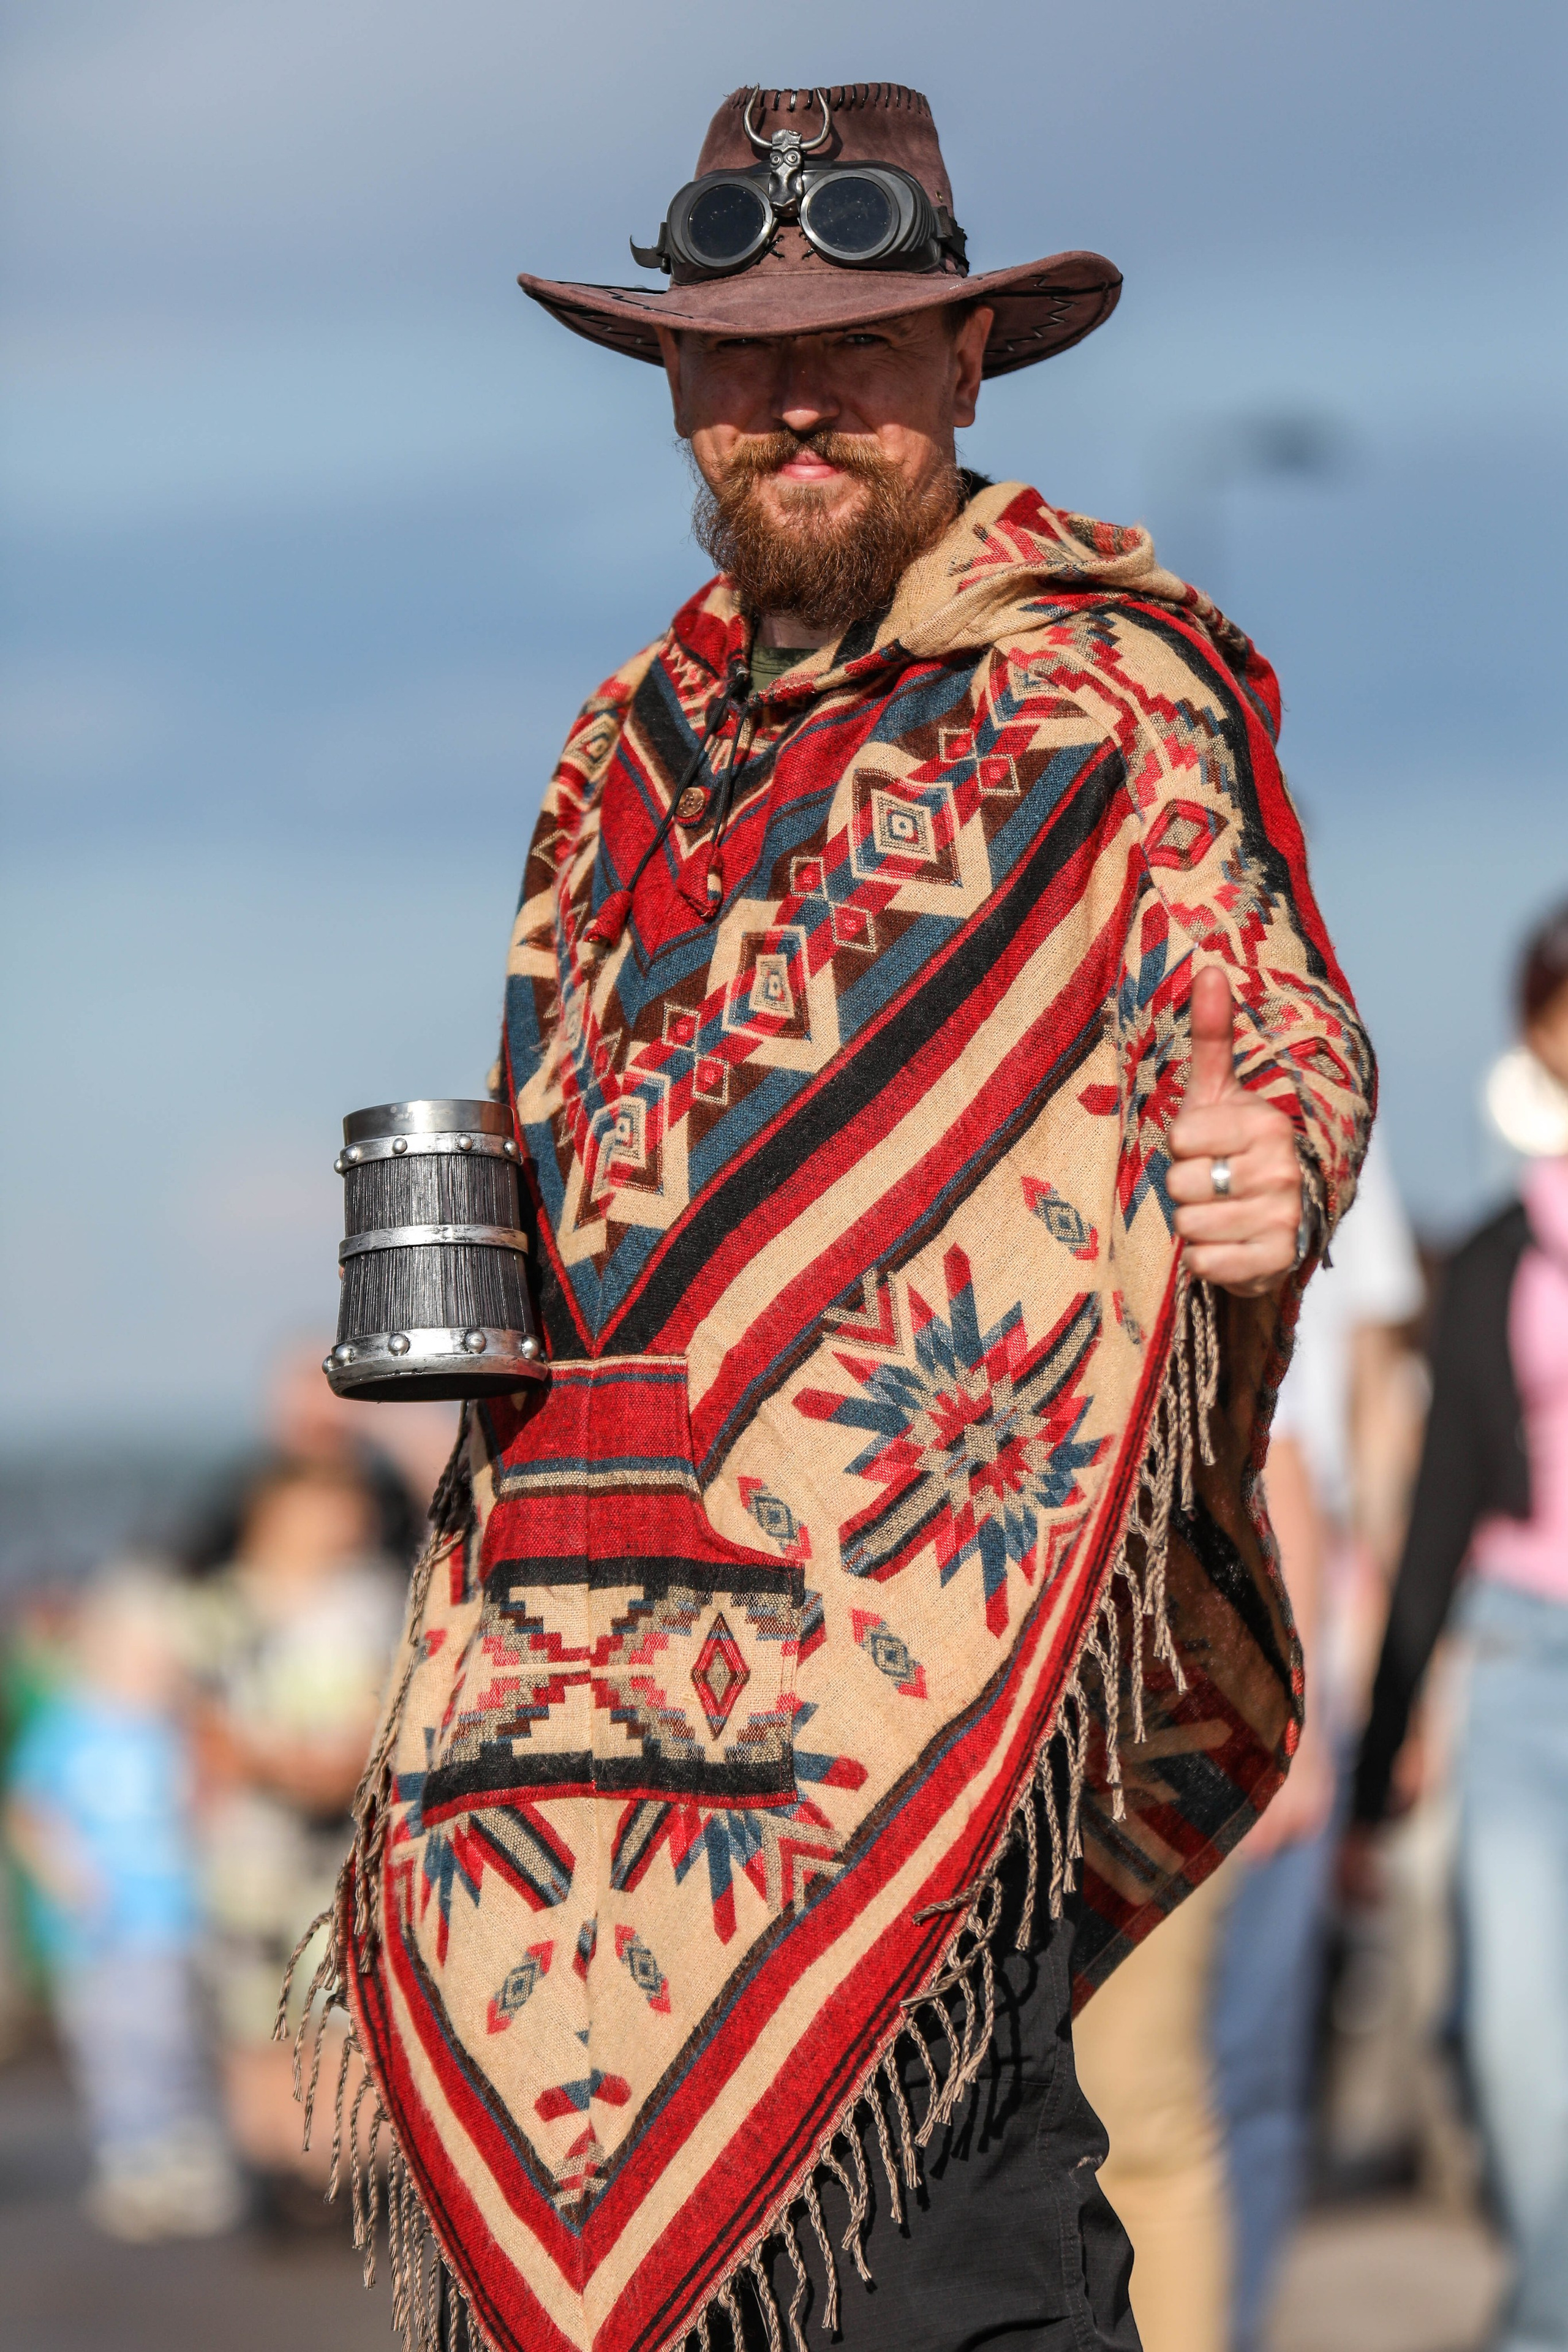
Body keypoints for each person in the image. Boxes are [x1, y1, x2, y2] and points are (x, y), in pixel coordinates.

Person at [309, 82, 1372, 2352]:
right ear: (678, 383)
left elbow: (1260, 1005)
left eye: (863, 350)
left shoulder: (1101, 685)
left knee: (946, 2266)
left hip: (923, 1677)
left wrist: (1271, 1157)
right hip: (570, 1692)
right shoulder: (617, 746)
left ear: (966, 366)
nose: (800, 402)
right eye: (743, 353)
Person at [1351, 899, 1568, 2352]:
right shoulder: (1493, 1255)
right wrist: (1375, 1763)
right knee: (1512, 2038)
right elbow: (1430, 1516)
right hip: (1514, 1664)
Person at [1210, 1129, 1423, 2351]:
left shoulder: (1345, 1121)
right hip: (1236, 1612)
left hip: (1296, 1611)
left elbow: (1357, 1407)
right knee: (1218, 2073)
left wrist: (1398, 1668)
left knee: (1255, 2065)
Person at [183, 1455, 402, 2214]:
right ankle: (272, 2162)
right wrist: (282, 1767)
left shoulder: (377, 1598)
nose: (350, 1520)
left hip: (341, 1840)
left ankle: (344, 2171)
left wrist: (338, 1766)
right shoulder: (222, 1606)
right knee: (253, 2009)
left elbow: (389, 1706)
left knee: (345, 2002)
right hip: (252, 1846)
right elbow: (205, 1723)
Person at [4, 1565, 241, 2240]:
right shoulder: (68, 1723)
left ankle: (188, 2151)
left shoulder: (175, 1725)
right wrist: (68, 1878)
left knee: (180, 2034)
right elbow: (30, 1810)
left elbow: (209, 1797)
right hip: (100, 1925)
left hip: (175, 1914)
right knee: (115, 2043)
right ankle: (133, 2156)